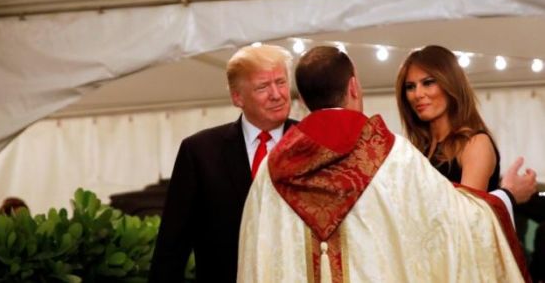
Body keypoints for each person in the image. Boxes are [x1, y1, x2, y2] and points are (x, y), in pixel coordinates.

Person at [238, 46, 533, 282]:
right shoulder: (393, 155)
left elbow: (254, 255)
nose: (419, 94)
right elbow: (457, 228)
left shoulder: (271, 167)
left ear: (301, 97)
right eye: (412, 86)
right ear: (354, 86)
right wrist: (507, 195)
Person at [149, 44, 297, 283]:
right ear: (237, 97)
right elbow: (172, 246)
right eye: (262, 87)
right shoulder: (199, 152)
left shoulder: (313, 145)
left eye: (280, 82)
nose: (276, 94)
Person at [396, 45, 536, 205]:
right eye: (410, 87)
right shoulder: (417, 150)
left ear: (450, 84)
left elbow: (466, 217)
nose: (418, 94)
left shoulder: (474, 144)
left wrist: (507, 195)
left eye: (428, 83)